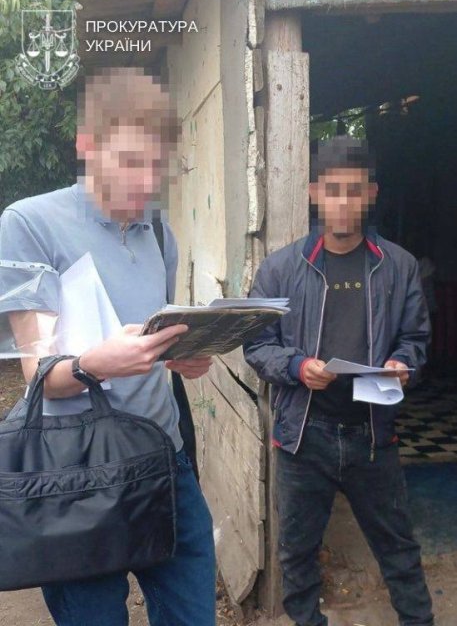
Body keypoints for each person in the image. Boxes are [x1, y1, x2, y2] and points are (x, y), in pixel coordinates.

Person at [0, 67, 216, 626]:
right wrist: (97, 364)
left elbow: (151, 337)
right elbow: (40, 375)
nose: (146, 182)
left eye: (157, 165)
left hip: (163, 461)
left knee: (193, 616)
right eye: (130, 161)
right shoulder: (29, 224)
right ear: (87, 145)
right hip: (77, 475)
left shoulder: (158, 232)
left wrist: (179, 357)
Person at [243, 136, 434, 626]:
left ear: (371, 193)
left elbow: (415, 339)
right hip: (303, 437)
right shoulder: (280, 269)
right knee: (297, 555)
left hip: (373, 435)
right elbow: (257, 345)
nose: (343, 202)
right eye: (333, 190)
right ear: (314, 192)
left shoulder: (399, 266)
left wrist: (402, 364)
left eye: (354, 190)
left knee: (398, 550)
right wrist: (297, 367)